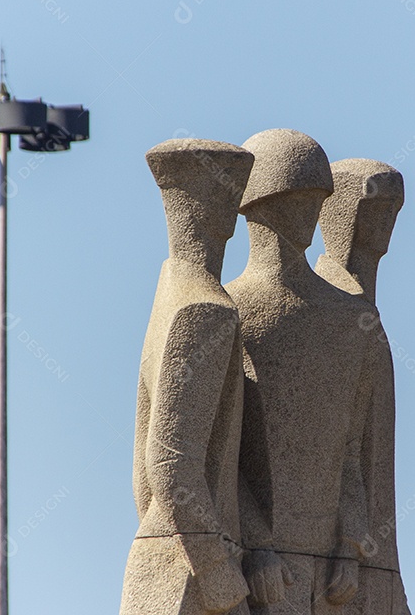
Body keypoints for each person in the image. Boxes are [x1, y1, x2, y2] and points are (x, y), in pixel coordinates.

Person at [225, 130, 376, 614]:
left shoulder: (348, 318)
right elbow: (217, 452)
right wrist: (256, 545)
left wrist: (350, 543)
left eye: (319, 198)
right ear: (262, 203)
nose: (312, 210)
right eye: (299, 197)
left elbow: (349, 446)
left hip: (331, 572)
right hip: (262, 568)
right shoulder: (230, 311)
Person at [120, 138, 255, 615]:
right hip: (193, 575)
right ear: (224, 215)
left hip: (160, 557)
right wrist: (219, 572)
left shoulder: (169, 290)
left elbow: (144, 476)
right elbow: (169, 462)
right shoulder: (206, 308)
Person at [315, 159, 411, 615]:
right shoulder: (329, 311)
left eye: (394, 208)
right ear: (344, 212)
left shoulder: (364, 311)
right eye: (377, 205)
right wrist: (348, 541)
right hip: (338, 556)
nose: (387, 220)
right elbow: (337, 442)